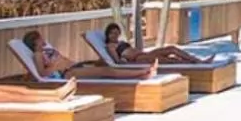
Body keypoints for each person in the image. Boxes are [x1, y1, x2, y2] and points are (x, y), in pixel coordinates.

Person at [23, 30, 154, 79]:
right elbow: (41, 73)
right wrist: (56, 66)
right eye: (40, 38)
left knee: (103, 65)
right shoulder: (38, 54)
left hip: (73, 67)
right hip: (66, 73)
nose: (42, 39)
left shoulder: (46, 50)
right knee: (106, 71)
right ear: (35, 41)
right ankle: (142, 72)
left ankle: (141, 73)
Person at [102, 23, 210, 66]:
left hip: (144, 54)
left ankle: (196, 60)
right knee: (169, 60)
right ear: (108, 34)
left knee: (171, 48)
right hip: (138, 59)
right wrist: (127, 64)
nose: (115, 35)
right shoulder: (110, 46)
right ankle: (195, 63)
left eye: (116, 33)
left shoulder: (120, 42)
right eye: (112, 33)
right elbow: (116, 61)